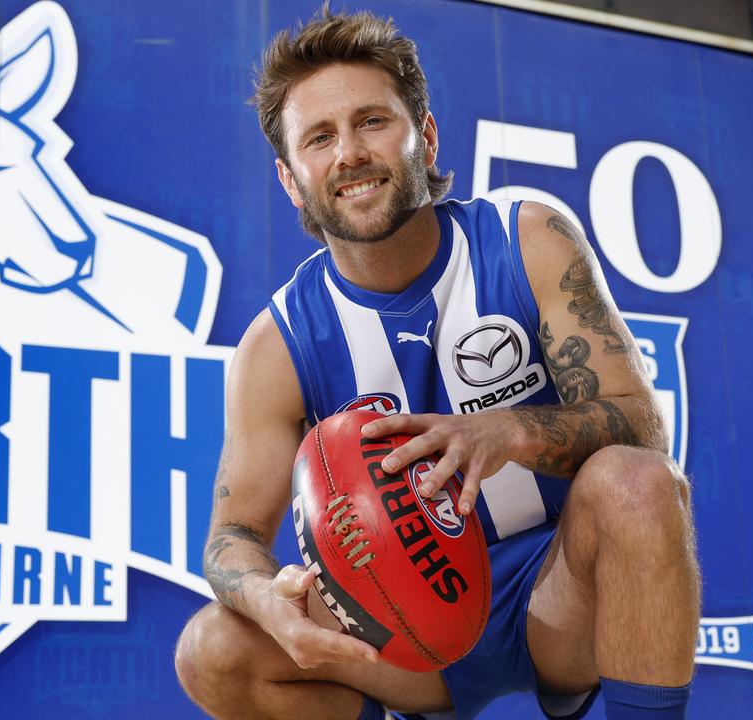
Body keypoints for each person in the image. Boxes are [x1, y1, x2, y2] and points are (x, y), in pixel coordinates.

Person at [174, 7, 700, 720]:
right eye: (319, 138)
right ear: (292, 181)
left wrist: (506, 432)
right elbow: (230, 541)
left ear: (424, 135)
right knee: (211, 649)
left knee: (637, 483)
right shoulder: (276, 345)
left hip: (557, 597)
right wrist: (269, 599)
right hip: (399, 635)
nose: (350, 152)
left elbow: (645, 433)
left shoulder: (527, 239)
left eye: (372, 122)